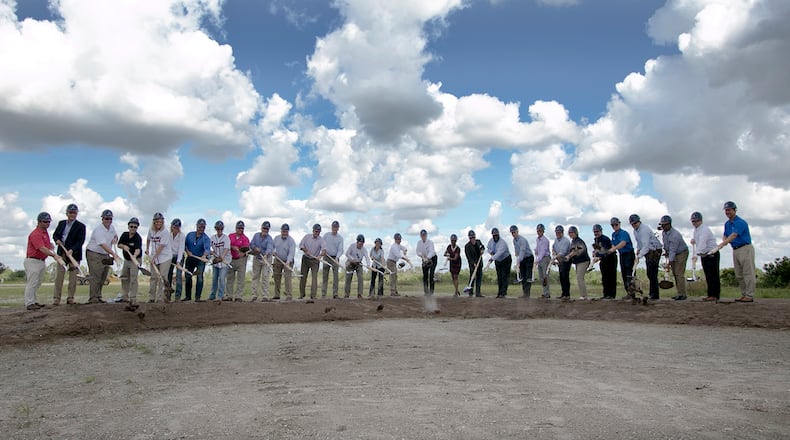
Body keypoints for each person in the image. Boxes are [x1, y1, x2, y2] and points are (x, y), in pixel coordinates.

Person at [712, 201, 756, 302]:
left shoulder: (740, 222)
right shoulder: (727, 224)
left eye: (729, 210)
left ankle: (749, 295)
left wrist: (721, 245)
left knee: (748, 273)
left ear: (734, 210)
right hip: (735, 249)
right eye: (726, 210)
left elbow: (734, 235)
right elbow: (726, 235)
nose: (727, 212)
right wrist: (724, 242)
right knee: (739, 274)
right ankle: (744, 294)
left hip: (745, 248)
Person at [24, 212, 65, 310]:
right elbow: (41, 248)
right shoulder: (35, 234)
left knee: (37, 283)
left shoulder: (45, 233)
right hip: (33, 260)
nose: (47, 223)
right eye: (45, 221)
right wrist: (54, 255)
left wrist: (49, 245)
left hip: (41, 260)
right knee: (32, 283)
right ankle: (29, 303)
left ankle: (33, 301)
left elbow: (44, 245)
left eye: (49, 222)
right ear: (39, 222)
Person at [52, 203, 85, 305]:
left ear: (77, 214)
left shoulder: (81, 226)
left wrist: (72, 250)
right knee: (59, 277)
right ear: (67, 213)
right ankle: (56, 299)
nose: (72, 215)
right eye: (70, 212)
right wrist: (57, 240)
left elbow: (80, 241)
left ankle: (70, 298)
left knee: (73, 278)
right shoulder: (61, 223)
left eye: (74, 213)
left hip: (74, 255)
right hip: (62, 253)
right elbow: (55, 235)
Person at [85, 209, 120, 304]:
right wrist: (114, 254)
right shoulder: (98, 230)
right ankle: (93, 298)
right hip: (94, 253)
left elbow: (115, 236)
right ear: (102, 219)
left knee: (103, 276)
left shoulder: (112, 228)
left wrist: (115, 239)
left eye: (110, 219)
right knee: (96, 275)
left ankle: (98, 296)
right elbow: (102, 244)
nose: (108, 221)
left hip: (105, 254)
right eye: (106, 218)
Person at [630, 214, 663, 301]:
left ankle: (654, 295)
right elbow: (639, 243)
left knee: (652, 272)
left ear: (639, 222)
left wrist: (639, 256)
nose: (634, 225)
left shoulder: (644, 230)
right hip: (648, 251)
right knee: (650, 273)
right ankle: (652, 293)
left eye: (635, 223)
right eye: (632, 224)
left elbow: (646, 246)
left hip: (655, 250)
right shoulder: (635, 231)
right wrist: (638, 250)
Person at [690, 212, 720, 301]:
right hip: (704, 255)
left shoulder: (704, 230)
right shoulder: (696, 230)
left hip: (711, 253)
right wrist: (694, 240)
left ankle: (715, 295)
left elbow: (702, 244)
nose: (694, 223)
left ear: (700, 221)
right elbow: (698, 241)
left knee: (713, 275)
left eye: (696, 221)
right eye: (693, 221)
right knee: (708, 275)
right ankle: (710, 294)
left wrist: (696, 256)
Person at [660, 215, 690, 301]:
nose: (663, 226)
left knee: (679, 273)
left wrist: (669, 263)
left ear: (669, 224)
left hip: (681, 253)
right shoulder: (664, 233)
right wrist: (666, 252)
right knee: (675, 273)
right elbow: (666, 244)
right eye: (662, 225)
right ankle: (679, 293)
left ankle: (682, 294)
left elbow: (673, 250)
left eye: (665, 225)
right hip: (672, 253)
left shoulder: (675, 235)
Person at [146, 212, 173, 303]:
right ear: (154, 222)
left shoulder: (165, 232)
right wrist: (147, 248)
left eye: (160, 222)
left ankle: (160, 298)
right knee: (153, 277)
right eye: (157, 222)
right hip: (154, 256)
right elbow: (148, 239)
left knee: (162, 277)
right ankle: (151, 297)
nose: (158, 223)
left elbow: (161, 247)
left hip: (165, 257)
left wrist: (154, 257)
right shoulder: (151, 230)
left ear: (163, 222)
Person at [117, 217, 143, 310]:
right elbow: (119, 244)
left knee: (133, 279)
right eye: (131, 226)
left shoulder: (138, 238)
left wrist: (134, 256)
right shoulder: (124, 235)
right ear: (128, 226)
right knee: (124, 277)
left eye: (135, 227)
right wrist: (124, 246)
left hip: (135, 260)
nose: (133, 228)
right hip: (126, 260)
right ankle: (124, 296)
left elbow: (138, 250)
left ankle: (133, 299)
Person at [183, 219, 211, 302]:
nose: (201, 229)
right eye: (200, 227)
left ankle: (197, 297)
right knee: (188, 276)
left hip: (200, 259)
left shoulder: (206, 238)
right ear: (197, 226)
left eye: (203, 227)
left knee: (200, 278)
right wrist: (187, 251)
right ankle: (188, 296)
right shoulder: (189, 235)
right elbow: (184, 245)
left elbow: (207, 249)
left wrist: (204, 256)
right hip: (190, 258)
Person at [609, 217, 635, 298]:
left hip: (628, 253)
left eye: (616, 224)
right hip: (622, 254)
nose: (614, 226)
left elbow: (623, 243)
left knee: (629, 273)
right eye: (612, 225)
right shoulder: (613, 235)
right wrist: (610, 250)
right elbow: (613, 244)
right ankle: (628, 292)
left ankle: (632, 292)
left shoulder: (623, 233)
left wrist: (614, 248)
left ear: (619, 224)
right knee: (624, 273)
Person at [249, 221, 274, 301]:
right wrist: (255, 248)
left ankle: (265, 295)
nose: (265, 230)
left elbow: (269, 248)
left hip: (267, 258)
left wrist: (266, 255)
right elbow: (251, 244)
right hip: (257, 257)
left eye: (267, 229)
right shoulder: (256, 235)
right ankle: (254, 295)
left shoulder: (269, 238)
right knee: (255, 276)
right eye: (264, 228)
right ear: (261, 228)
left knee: (265, 277)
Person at [300, 224, 326, 299]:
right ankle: (302, 294)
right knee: (303, 277)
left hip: (315, 260)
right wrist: (306, 251)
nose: (317, 233)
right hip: (305, 259)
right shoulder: (306, 237)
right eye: (316, 231)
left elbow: (324, 250)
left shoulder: (321, 240)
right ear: (313, 230)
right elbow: (301, 246)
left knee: (314, 278)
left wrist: (320, 256)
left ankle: (313, 295)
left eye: (319, 232)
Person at [226, 220, 250, 302]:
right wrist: (232, 247)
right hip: (231, 259)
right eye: (239, 228)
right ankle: (229, 295)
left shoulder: (245, 238)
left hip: (241, 260)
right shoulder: (230, 236)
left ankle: (238, 296)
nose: (240, 229)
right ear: (236, 228)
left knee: (241, 279)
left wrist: (243, 253)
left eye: (242, 228)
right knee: (230, 278)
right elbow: (226, 245)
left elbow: (247, 249)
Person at [565, 226, 591, 300]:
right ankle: (583, 295)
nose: (571, 234)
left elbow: (578, 251)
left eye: (572, 232)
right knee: (579, 277)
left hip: (583, 261)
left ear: (576, 233)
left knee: (580, 277)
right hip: (578, 262)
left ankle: (584, 295)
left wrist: (569, 256)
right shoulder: (573, 241)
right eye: (569, 233)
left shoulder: (579, 241)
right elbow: (572, 251)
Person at [592, 224, 617, 299]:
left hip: (610, 258)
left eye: (597, 231)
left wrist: (599, 257)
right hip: (603, 259)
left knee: (611, 277)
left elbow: (606, 251)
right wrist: (595, 253)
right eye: (595, 232)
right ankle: (606, 294)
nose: (596, 233)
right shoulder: (596, 239)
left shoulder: (605, 239)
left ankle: (611, 295)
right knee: (604, 277)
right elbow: (598, 249)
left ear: (601, 231)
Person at [272, 223, 297, 300]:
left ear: (288, 232)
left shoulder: (291, 241)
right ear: (281, 231)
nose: (285, 233)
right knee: (276, 276)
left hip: (288, 261)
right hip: (278, 259)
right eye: (283, 231)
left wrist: (288, 262)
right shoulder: (276, 238)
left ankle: (289, 295)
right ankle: (277, 295)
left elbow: (291, 253)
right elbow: (272, 247)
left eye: (286, 231)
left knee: (287, 277)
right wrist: (273, 252)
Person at [208, 221, 231, 302]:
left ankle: (220, 296)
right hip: (216, 262)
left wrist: (221, 257)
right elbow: (208, 247)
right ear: (215, 229)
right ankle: (212, 295)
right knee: (214, 279)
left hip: (225, 261)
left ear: (223, 229)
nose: (219, 230)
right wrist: (210, 252)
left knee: (221, 278)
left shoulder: (226, 238)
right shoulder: (212, 238)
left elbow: (226, 249)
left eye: (221, 228)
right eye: (218, 228)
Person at [510, 225, 534, 298]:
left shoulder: (522, 240)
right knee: (523, 276)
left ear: (517, 232)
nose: (513, 234)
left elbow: (522, 251)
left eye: (514, 232)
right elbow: (517, 250)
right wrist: (516, 254)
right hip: (522, 258)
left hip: (529, 258)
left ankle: (527, 294)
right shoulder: (514, 240)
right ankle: (524, 293)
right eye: (512, 233)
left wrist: (518, 262)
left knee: (527, 276)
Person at [487, 227, 512, 298]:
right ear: (492, 235)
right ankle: (499, 292)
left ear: (498, 234)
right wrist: (491, 252)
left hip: (505, 260)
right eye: (494, 235)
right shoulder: (491, 241)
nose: (495, 236)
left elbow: (499, 253)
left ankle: (503, 293)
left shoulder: (502, 243)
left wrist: (491, 259)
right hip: (498, 260)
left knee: (504, 276)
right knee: (499, 277)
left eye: (496, 235)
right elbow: (488, 248)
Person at [322, 220, 344, 299]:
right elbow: (322, 244)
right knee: (325, 275)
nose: (334, 228)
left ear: (338, 228)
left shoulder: (340, 238)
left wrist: (337, 258)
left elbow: (341, 249)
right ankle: (323, 294)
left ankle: (335, 294)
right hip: (326, 257)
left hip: (335, 258)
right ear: (331, 227)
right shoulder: (326, 235)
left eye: (336, 227)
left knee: (336, 276)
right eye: (333, 227)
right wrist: (323, 250)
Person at [344, 234, 369, 298]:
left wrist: (368, 265)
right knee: (348, 278)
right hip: (351, 262)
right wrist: (352, 259)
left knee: (360, 278)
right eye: (360, 243)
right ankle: (346, 294)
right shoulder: (352, 246)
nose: (361, 245)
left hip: (358, 263)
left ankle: (360, 294)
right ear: (357, 242)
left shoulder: (364, 249)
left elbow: (367, 257)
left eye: (362, 244)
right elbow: (347, 254)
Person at [166, 218, 185, 301]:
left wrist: (178, 262)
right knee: (168, 275)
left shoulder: (182, 236)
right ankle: (168, 295)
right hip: (170, 256)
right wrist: (169, 258)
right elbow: (167, 247)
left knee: (178, 276)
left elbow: (181, 249)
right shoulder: (168, 235)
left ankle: (177, 297)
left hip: (179, 256)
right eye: (174, 227)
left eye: (177, 227)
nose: (176, 229)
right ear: (171, 226)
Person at [552, 225, 572, 299]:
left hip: (566, 260)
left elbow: (562, 252)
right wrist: (553, 253)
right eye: (556, 232)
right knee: (561, 277)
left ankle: (567, 294)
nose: (557, 234)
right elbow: (553, 248)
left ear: (562, 232)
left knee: (565, 277)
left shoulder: (566, 241)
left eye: (559, 232)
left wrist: (555, 257)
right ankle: (563, 294)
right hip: (560, 261)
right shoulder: (556, 240)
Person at [416, 229, 438, 296]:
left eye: (424, 235)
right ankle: (426, 292)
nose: (423, 236)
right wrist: (422, 256)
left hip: (432, 259)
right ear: (420, 235)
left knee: (431, 275)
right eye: (422, 235)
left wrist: (427, 258)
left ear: (426, 235)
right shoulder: (419, 243)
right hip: (424, 258)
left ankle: (431, 292)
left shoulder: (430, 242)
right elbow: (418, 251)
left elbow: (431, 251)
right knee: (425, 275)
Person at [464, 230, 485, 297]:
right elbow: (468, 257)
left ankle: (478, 293)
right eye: (471, 238)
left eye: (473, 237)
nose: (472, 239)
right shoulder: (467, 246)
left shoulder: (478, 242)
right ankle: (470, 292)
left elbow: (482, 247)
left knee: (479, 278)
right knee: (472, 277)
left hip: (479, 263)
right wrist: (473, 263)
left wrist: (482, 250)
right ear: (469, 238)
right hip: (472, 265)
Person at [535, 224, 551, 299]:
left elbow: (543, 251)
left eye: (540, 230)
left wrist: (537, 260)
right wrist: (536, 250)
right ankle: (545, 292)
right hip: (540, 258)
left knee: (545, 277)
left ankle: (547, 293)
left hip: (545, 258)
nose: (539, 232)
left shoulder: (545, 240)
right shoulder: (537, 239)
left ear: (543, 231)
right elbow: (538, 249)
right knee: (541, 277)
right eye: (538, 231)